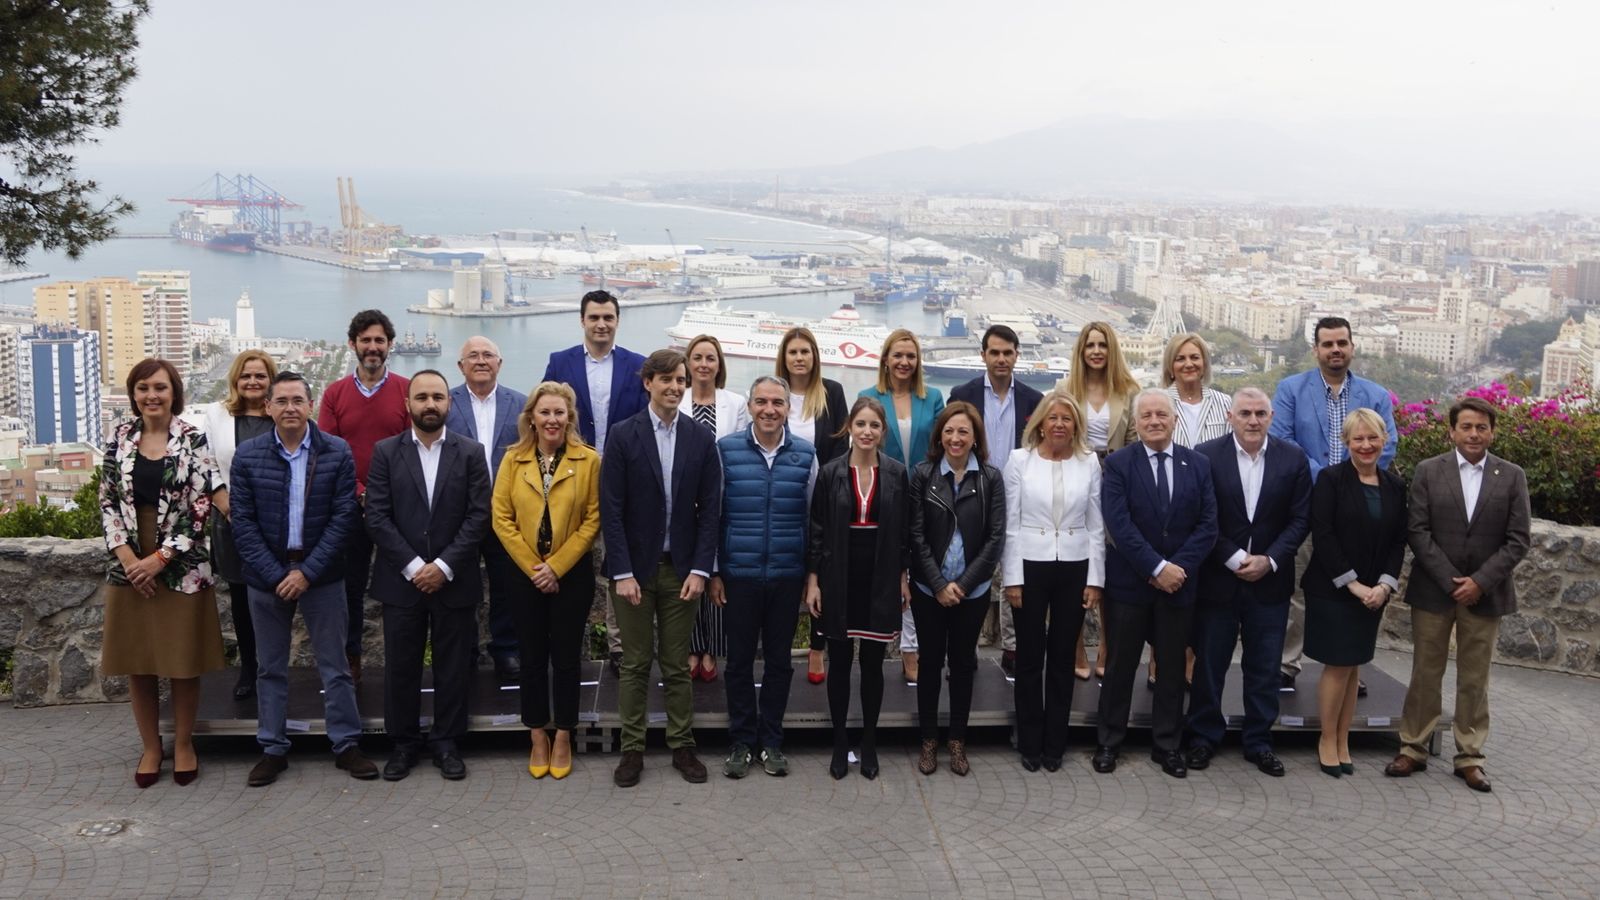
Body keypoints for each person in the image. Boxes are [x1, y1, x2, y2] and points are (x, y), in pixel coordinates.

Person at [232, 372, 378, 786]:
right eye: (281, 401)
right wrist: (278, 574)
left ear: (310, 405)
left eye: (298, 400)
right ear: (268, 408)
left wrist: (307, 573)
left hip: (322, 575)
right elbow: (243, 523)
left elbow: (344, 517)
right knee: (270, 668)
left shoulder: (336, 451)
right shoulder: (248, 455)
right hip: (268, 578)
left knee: (335, 666)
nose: (290, 408)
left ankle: (346, 745)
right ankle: (272, 749)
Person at [1387, 397, 1531, 792]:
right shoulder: (1429, 471)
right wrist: (1453, 581)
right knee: (1425, 672)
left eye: (1481, 427)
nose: (1473, 434)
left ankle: (1469, 756)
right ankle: (1413, 747)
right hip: (1434, 591)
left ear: (1492, 432)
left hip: (1486, 594)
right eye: (1466, 426)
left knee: (1474, 678)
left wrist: (1479, 582)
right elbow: (1417, 531)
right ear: (1451, 431)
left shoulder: (1511, 476)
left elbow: (1518, 539)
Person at [100, 358, 227, 787]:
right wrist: (128, 559)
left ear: (174, 392)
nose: (151, 395)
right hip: (129, 560)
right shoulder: (119, 437)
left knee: (181, 660)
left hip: (182, 562)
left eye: (159, 387)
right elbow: (107, 501)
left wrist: (160, 558)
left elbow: (201, 507)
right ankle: (151, 747)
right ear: (133, 395)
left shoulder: (193, 438)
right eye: (143, 388)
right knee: (139, 661)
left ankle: (185, 743)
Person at [600, 349, 722, 788]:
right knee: (634, 664)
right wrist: (622, 572)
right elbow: (611, 510)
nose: (675, 387)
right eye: (666, 379)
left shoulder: (699, 438)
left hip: (680, 570)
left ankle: (682, 745)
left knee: (675, 663)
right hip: (634, 570)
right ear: (648, 382)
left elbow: (711, 510)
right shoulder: (622, 435)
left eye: (681, 380)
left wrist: (701, 570)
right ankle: (632, 749)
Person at [365, 370, 491, 782]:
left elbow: (479, 516)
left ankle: (446, 742)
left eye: (438, 396)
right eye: (422, 397)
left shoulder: (471, 452)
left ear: (449, 402)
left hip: (454, 579)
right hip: (402, 581)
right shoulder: (386, 452)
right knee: (401, 667)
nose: (430, 404)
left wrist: (444, 566)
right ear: (408, 404)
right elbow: (377, 516)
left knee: (453, 667)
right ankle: (403, 744)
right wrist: (416, 567)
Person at [1186, 388, 1312, 778]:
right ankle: (1203, 737)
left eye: (1260, 413)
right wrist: (1235, 557)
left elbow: (1300, 519)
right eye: (1245, 413)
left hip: (1270, 583)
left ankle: (1258, 741)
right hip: (1219, 579)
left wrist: (1269, 560)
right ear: (1230, 417)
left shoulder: (1293, 458)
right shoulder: (1206, 456)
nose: (1253, 420)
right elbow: (1202, 517)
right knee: (1210, 665)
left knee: (1264, 667)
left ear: (1271, 417)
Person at [1270, 316, 1398, 691]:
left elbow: (1387, 444)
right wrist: (1331, 483)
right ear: (1316, 350)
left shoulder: (1375, 395)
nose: (1335, 350)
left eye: (1342, 343)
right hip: (1303, 505)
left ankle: (1347, 663)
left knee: (1355, 586)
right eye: (1327, 344)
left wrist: (1349, 486)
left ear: (1352, 347)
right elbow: (1284, 442)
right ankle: (1287, 664)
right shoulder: (1291, 390)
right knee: (1298, 588)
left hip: (1357, 514)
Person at [1094, 389, 1217, 779]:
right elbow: (1118, 524)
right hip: (1130, 585)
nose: (1154, 421)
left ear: (1174, 420)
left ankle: (1167, 745)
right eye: (1146, 416)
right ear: (1136, 423)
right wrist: (1156, 567)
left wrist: (1176, 569)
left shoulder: (1198, 464)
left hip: (1179, 585)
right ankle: (1109, 741)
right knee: (1120, 666)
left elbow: (1208, 525)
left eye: (1161, 414)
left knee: (1171, 669)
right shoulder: (1118, 464)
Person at [492, 382, 601, 781]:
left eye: (559, 413)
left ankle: (564, 735)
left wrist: (556, 566)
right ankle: (537, 734)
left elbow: (593, 518)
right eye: (545, 412)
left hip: (571, 575)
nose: (552, 419)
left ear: (569, 418)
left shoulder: (589, 460)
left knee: (568, 658)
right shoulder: (513, 459)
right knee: (532, 657)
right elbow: (501, 517)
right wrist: (534, 568)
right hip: (524, 576)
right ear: (532, 418)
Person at [712, 376, 817, 779]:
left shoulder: (805, 454)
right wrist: (716, 571)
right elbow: (714, 514)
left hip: (786, 574)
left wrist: (811, 574)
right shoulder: (726, 450)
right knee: (738, 662)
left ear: (788, 408)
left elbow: (814, 518)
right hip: (738, 574)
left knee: (779, 663)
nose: (769, 410)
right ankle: (741, 741)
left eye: (777, 402)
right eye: (761, 402)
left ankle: (771, 741)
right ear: (750, 406)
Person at [542, 290, 648, 674]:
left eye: (608, 317)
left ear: (617, 321)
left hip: (625, 479)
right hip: (573, 476)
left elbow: (645, 423)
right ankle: (562, 644)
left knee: (622, 561)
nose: (601, 324)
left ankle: (621, 648)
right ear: (582, 321)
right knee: (566, 555)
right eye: (594, 318)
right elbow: (545, 413)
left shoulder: (638, 365)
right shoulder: (560, 362)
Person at [806, 396, 910, 780]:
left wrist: (902, 578)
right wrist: (813, 581)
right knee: (839, 662)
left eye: (874, 425)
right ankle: (839, 742)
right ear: (850, 427)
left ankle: (868, 741)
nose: (867, 432)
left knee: (872, 663)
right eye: (861, 424)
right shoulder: (830, 472)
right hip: (838, 575)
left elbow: (903, 533)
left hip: (879, 575)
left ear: (883, 432)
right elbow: (817, 530)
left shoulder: (897, 473)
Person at [1301, 408, 1409, 778]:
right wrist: (1354, 584)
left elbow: (1398, 541)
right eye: (1358, 438)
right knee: (1337, 666)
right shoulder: (1330, 480)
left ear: (1384, 440)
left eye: (1372, 437)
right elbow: (1323, 535)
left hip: (1373, 595)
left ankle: (1343, 739)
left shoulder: (1395, 485)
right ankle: (1326, 739)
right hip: (1334, 591)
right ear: (1346, 442)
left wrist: (1384, 585)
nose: (1366, 445)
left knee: (1352, 669)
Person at [1001, 389, 1103, 773]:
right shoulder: (1019, 461)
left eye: (1067, 418)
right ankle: (1029, 740)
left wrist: (1095, 580)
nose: (1059, 424)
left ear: (1076, 424)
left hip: (1074, 566)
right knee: (1029, 658)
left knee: (1063, 658)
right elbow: (1010, 524)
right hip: (1030, 565)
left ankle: (1055, 742)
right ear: (1041, 423)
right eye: (1053, 417)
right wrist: (1012, 579)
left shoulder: (1089, 462)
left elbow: (1096, 525)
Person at [908, 401, 1004, 777]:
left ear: (975, 437)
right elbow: (915, 534)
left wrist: (962, 585)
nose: (955, 438)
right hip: (928, 589)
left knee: (963, 665)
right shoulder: (923, 474)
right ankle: (929, 740)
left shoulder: (990, 478)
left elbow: (995, 539)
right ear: (939, 436)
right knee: (930, 664)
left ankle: (958, 741)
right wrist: (938, 584)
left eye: (963, 431)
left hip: (972, 592)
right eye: (949, 430)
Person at [318, 309, 411, 685]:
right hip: (349, 507)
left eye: (379, 340)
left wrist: (381, 495)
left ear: (390, 345)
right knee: (350, 588)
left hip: (397, 508)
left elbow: (412, 449)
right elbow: (328, 451)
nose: (373, 347)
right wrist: (361, 493)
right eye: (366, 340)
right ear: (352, 344)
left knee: (404, 585)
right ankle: (351, 658)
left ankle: (403, 662)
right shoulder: (334, 394)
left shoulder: (406, 390)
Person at [951, 324, 1042, 678]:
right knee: (967, 570)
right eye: (995, 352)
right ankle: (965, 652)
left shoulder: (1034, 400)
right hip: (974, 492)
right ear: (983, 355)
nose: (1001, 359)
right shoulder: (963, 393)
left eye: (1007, 352)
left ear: (1017, 355)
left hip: (1020, 496)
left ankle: (1013, 649)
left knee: (1015, 574)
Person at [185, 349, 277, 702]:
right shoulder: (217, 413)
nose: (252, 381)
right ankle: (249, 669)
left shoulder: (281, 411)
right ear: (235, 380)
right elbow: (204, 461)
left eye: (260, 375)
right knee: (241, 599)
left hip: (275, 522)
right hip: (231, 519)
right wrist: (225, 504)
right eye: (246, 375)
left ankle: (274, 669)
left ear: (271, 380)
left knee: (276, 598)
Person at [860, 328, 946, 685]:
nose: (904, 362)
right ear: (885, 359)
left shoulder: (933, 397)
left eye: (911, 356)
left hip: (927, 497)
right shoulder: (869, 396)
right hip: (886, 496)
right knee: (894, 573)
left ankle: (919, 647)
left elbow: (942, 445)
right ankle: (904, 651)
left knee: (923, 574)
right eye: (898, 355)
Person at [1059, 322, 1141, 678]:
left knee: (1110, 567)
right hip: (1075, 479)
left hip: (1116, 480)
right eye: (1090, 345)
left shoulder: (1130, 390)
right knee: (1075, 564)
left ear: (1112, 350)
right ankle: (1077, 647)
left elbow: (1135, 441)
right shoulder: (1065, 389)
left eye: (1102, 345)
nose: (1096, 351)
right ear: (1081, 350)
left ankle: (1107, 646)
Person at [446, 335, 528, 685]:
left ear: (499, 363)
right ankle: (463, 651)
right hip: (458, 513)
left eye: (488, 355)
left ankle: (506, 649)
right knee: (459, 585)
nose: (481, 361)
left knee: (507, 584)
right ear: (460, 365)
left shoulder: (521, 404)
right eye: (473, 356)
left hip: (506, 512)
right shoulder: (445, 402)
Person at [776, 326, 849, 685]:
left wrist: (826, 491)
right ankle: (779, 647)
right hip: (783, 497)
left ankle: (818, 646)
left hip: (823, 497)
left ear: (815, 356)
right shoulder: (775, 393)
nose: (799, 358)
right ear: (784, 357)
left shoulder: (831, 392)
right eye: (793, 352)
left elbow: (840, 444)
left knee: (823, 570)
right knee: (787, 573)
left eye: (805, 351)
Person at [684, 334, 750, 683]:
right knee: (688, 570)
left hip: (723, 497)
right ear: (688, 362)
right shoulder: (676, 398)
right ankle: (693, 645)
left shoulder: (735, 402)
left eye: (710, 358)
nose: (704, 364)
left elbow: (738, 448)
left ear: (719, 364)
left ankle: (712, 648)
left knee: (717, 573)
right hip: (683, 497)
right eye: (697, 357)